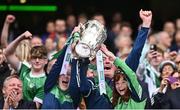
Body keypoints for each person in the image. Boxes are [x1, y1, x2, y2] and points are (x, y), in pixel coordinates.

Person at [4, 31, 48, 108]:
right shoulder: (24, 68)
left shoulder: (46, 81)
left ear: (46, 61)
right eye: (34, 57)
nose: (37, 61)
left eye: (40, 58)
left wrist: (17, 105)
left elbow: (35, 107)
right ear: (30, 59)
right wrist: (21, 38)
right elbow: (8, 53)